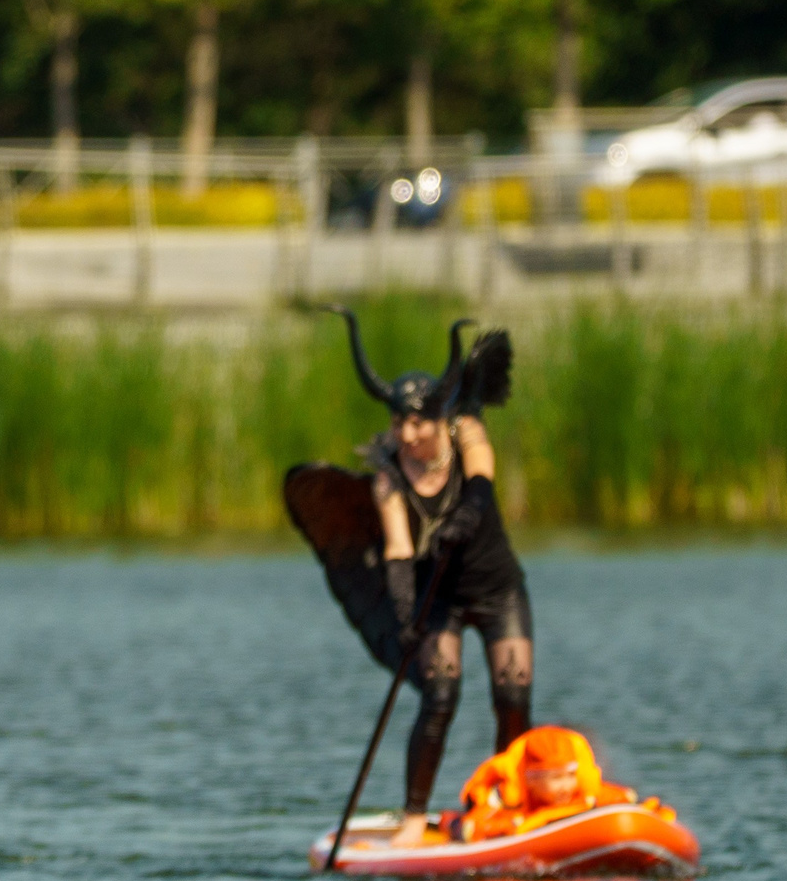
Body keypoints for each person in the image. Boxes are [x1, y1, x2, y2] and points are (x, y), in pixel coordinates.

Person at [283, 310, 525, 847]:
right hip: (439, 590)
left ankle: (511, 801)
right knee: (440, 693)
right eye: (398, 423)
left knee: (513, 688)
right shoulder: (390, 474)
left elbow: (481, 481)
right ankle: (414, 817)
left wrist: (467, 514)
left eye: (417, 422)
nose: (407, 433)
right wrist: (405, 615)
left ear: (440, 418)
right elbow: (396, 550)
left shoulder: (466, 430)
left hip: (495, 585)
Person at [449, 724, 675, 843]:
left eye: (570, 776)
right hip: (513, 816)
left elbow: (626, 805)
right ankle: (447, 823)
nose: (566, 785)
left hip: (553, 817)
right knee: (467, 828)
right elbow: (480, 824)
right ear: (532, 780)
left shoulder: (584, 792)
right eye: (557, 778)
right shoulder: (511, 800)